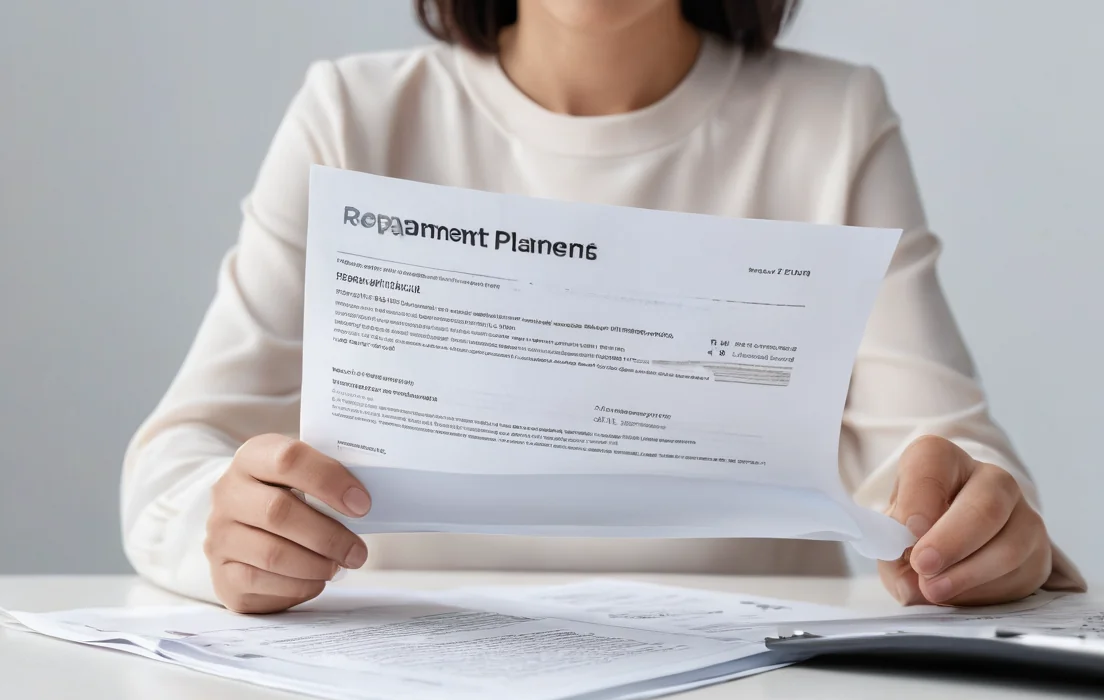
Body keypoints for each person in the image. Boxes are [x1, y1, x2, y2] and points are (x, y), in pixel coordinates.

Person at [122, 0, 1086, 615]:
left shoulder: (831, 121)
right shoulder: (355, 114)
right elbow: (177, 457)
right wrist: (226, 531)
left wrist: (980, 523)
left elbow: (946, 450)